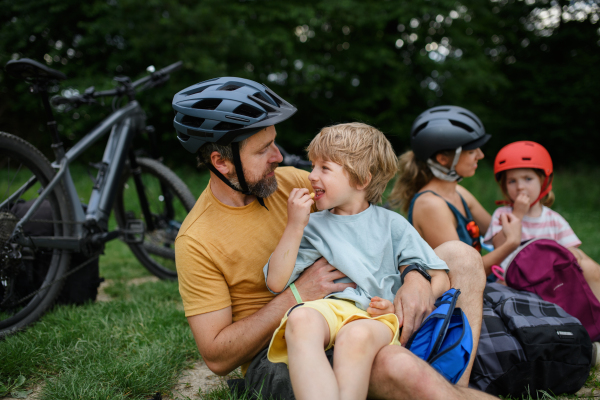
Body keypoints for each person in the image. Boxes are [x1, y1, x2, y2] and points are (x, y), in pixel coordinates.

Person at [173, 78, 493, 399]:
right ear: (221, 162)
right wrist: (296, 295)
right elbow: (216, 356)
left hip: (370, 311)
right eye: (262, 150)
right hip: (288, 348)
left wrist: (415, 277)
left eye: (274, 142)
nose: (279, 157)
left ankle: (458, 380)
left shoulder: (291, 184)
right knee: (396, 364)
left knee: (462, 256)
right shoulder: (196, 240)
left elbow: (369, 225)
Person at [263, 123, 452, 400]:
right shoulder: (310, 226)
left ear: (362, 179)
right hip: (330, 309)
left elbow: (441, 277)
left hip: (377, 315)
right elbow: (275, 283)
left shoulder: (392, 225)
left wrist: (401, 303)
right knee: (300, 318)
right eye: (313, 166)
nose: (311, 176)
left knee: (355, 335)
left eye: (324, 168)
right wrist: (294, 226)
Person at [388, 105, 522, 276]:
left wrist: (520, 214)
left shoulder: (458, 191)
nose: (480, 155)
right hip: (458, 293)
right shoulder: (430, 205)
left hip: (480, 283)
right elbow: (464, 272)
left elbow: (495, 231)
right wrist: (511, 243)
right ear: (443, 159)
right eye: (472, 151)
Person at [484, 141, 600, 299]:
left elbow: (571, 256)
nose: (520, 187)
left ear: (543, 181)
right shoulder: (502, 214)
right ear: (504, 187)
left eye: (527, 179)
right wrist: (517, 214)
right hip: (510, 282)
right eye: (512, 181)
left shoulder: (554, 220)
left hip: (548, 283)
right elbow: (500, 247)